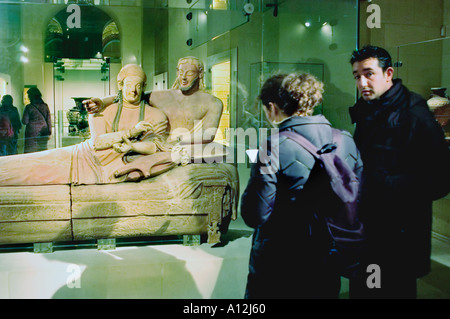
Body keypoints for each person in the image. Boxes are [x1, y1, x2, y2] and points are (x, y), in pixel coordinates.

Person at [240, 73, 362, 299]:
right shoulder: (345, 140)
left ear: (272, 107)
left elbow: (255, 214)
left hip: (278, 258)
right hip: (328, 253)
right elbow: (360, 197)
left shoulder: (272, 146)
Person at [348, 45, 450, 299]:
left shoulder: (414, 114)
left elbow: (441, 179)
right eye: (357, 75)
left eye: (369, 73)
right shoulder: (369, 110)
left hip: (399, 236)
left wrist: (383, 184)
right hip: (370, 229)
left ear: (388, 73)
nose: (362, 82)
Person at [0, 64, 173, 186]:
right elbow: (98, 142)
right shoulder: (103, 110)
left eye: (138, 86)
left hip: (104, 168)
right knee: (32, 163)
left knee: (34, 173)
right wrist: (131, 132)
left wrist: (132, 146)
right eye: (128, 85)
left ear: (144, 87)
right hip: (84, 157)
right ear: (120, 86)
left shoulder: (155, 115)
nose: (133, 91)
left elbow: (158, 147)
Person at [83, 56, 223, 144]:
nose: (183, 77)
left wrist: (179, 140)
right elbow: (131, 96)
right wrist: (103, 102)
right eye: (180, 72)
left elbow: (208, 134)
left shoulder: (213, 103)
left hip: (180, 146)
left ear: (200, 74)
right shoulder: (162, 96)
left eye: (190, 73)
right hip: (154, 145)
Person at [22, 87, 52, 153]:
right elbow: (49, 120)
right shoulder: (45, 106)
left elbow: (25, 121)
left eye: (29, 96)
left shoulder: (29, 107)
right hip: (43, 131)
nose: (28, 98)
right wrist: (49, 131)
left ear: (31, 96)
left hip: (32, 132)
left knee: (31, 152)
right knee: (42, 151)